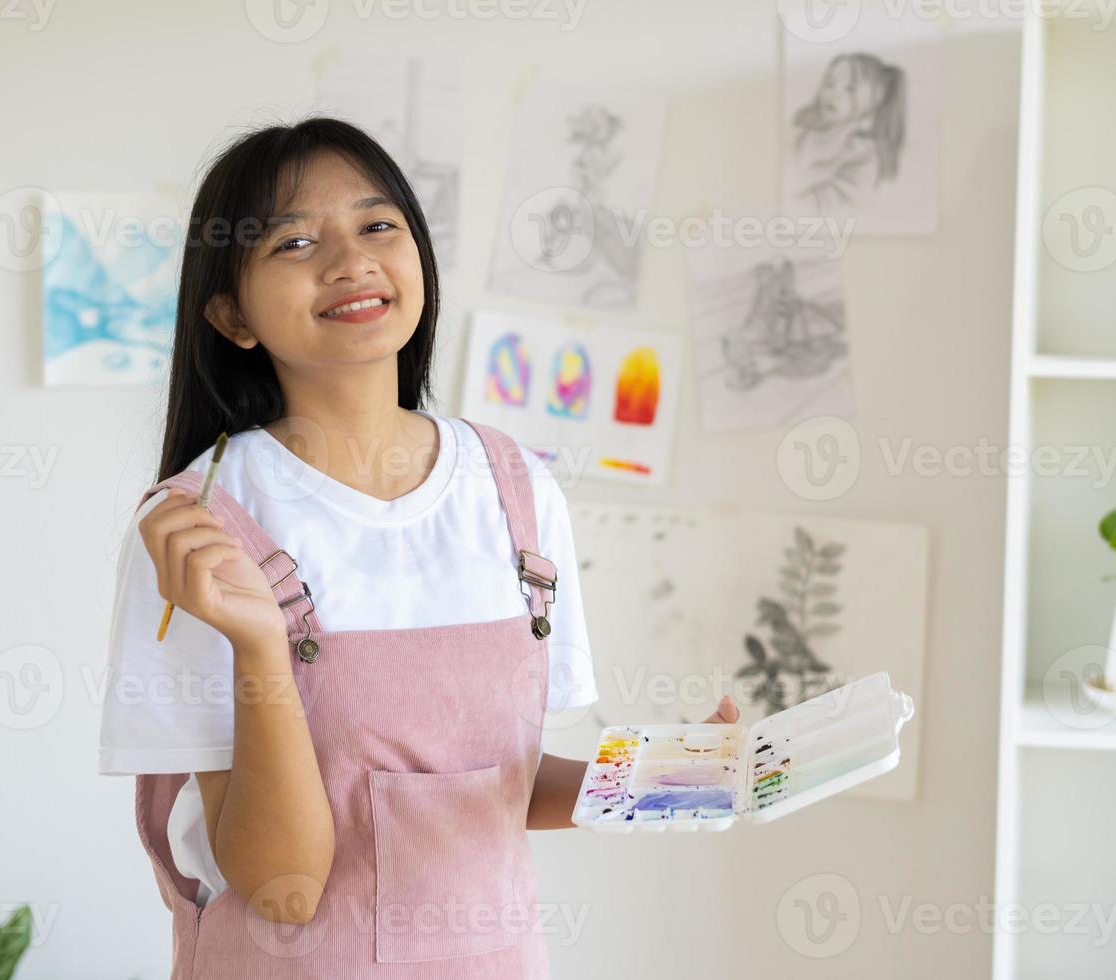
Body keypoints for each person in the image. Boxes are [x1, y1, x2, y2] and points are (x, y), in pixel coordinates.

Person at [96, 116, 737, 977]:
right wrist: (257, 644)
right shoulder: (199, 528)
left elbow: (487, 784)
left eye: (377, 226)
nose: (350, 261)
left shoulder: (517, 493)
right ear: (231, 314)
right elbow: (283, 889)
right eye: (294, 242)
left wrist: (668, 783)